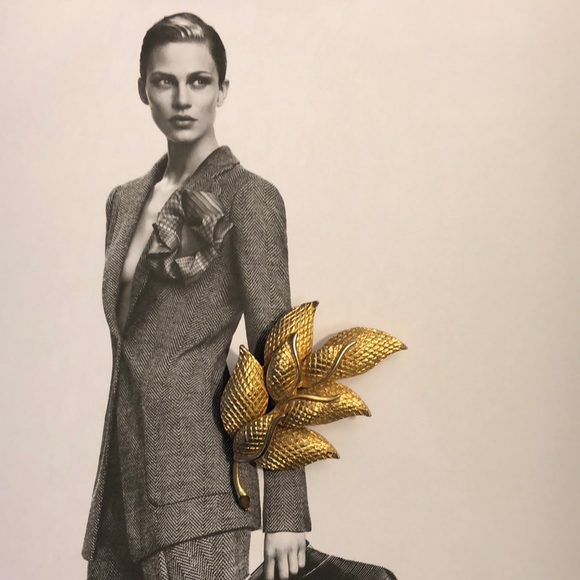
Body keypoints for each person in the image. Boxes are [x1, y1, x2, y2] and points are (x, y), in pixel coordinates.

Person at [82, 12, 311, 580]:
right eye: (166, 81)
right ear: (144, 89)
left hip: (199, 495)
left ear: (222, 90)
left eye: (199, 81)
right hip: (121, 493)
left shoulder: (249, 199)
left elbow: (280, 357)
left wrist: (285, 513)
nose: (182, 99)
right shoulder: (124, 201)